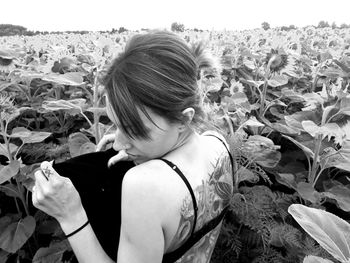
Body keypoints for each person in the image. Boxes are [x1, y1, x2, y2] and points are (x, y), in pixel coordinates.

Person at [32, 30, 234, 263]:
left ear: (183, 119)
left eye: (135, 129)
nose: (117, 143)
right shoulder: (218, 143)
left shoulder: (143, 187)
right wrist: (142, 149)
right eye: (116, 125)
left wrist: (71, 215)